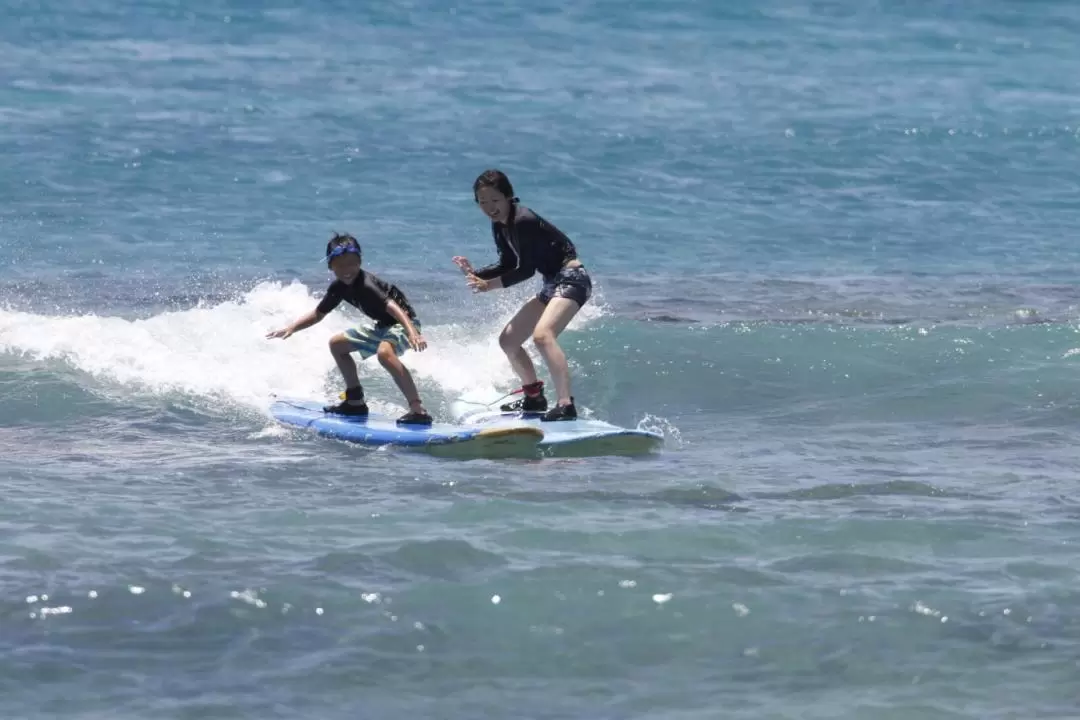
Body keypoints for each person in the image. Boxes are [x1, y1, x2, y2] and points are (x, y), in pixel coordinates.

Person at [452, 169, 592, 422]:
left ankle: (565, 404)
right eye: (482, 202)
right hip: (552, 284)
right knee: (508, 340)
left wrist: (490, 286)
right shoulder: (500, 225)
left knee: (542, 336)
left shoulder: (522, 221)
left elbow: (526, 270)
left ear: (508, 197)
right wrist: (477, 273)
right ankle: (534, 398)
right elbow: (508, 262)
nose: (489, 207)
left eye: (494, 200)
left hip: (572, 279)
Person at [267, 232, 433, 425]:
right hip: (382, 326)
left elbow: (394, 308)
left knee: (384, 353)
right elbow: (318, 314)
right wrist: (292, 328)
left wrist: (413, 332)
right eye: (340, 265)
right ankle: (355, 401)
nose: (347, 270)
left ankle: (417, 409)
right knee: (337, 344)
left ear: (360, 262)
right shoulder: (338, 288)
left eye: (352, 263)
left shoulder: (367, 284)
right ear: (330, 266)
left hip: (404, 323)